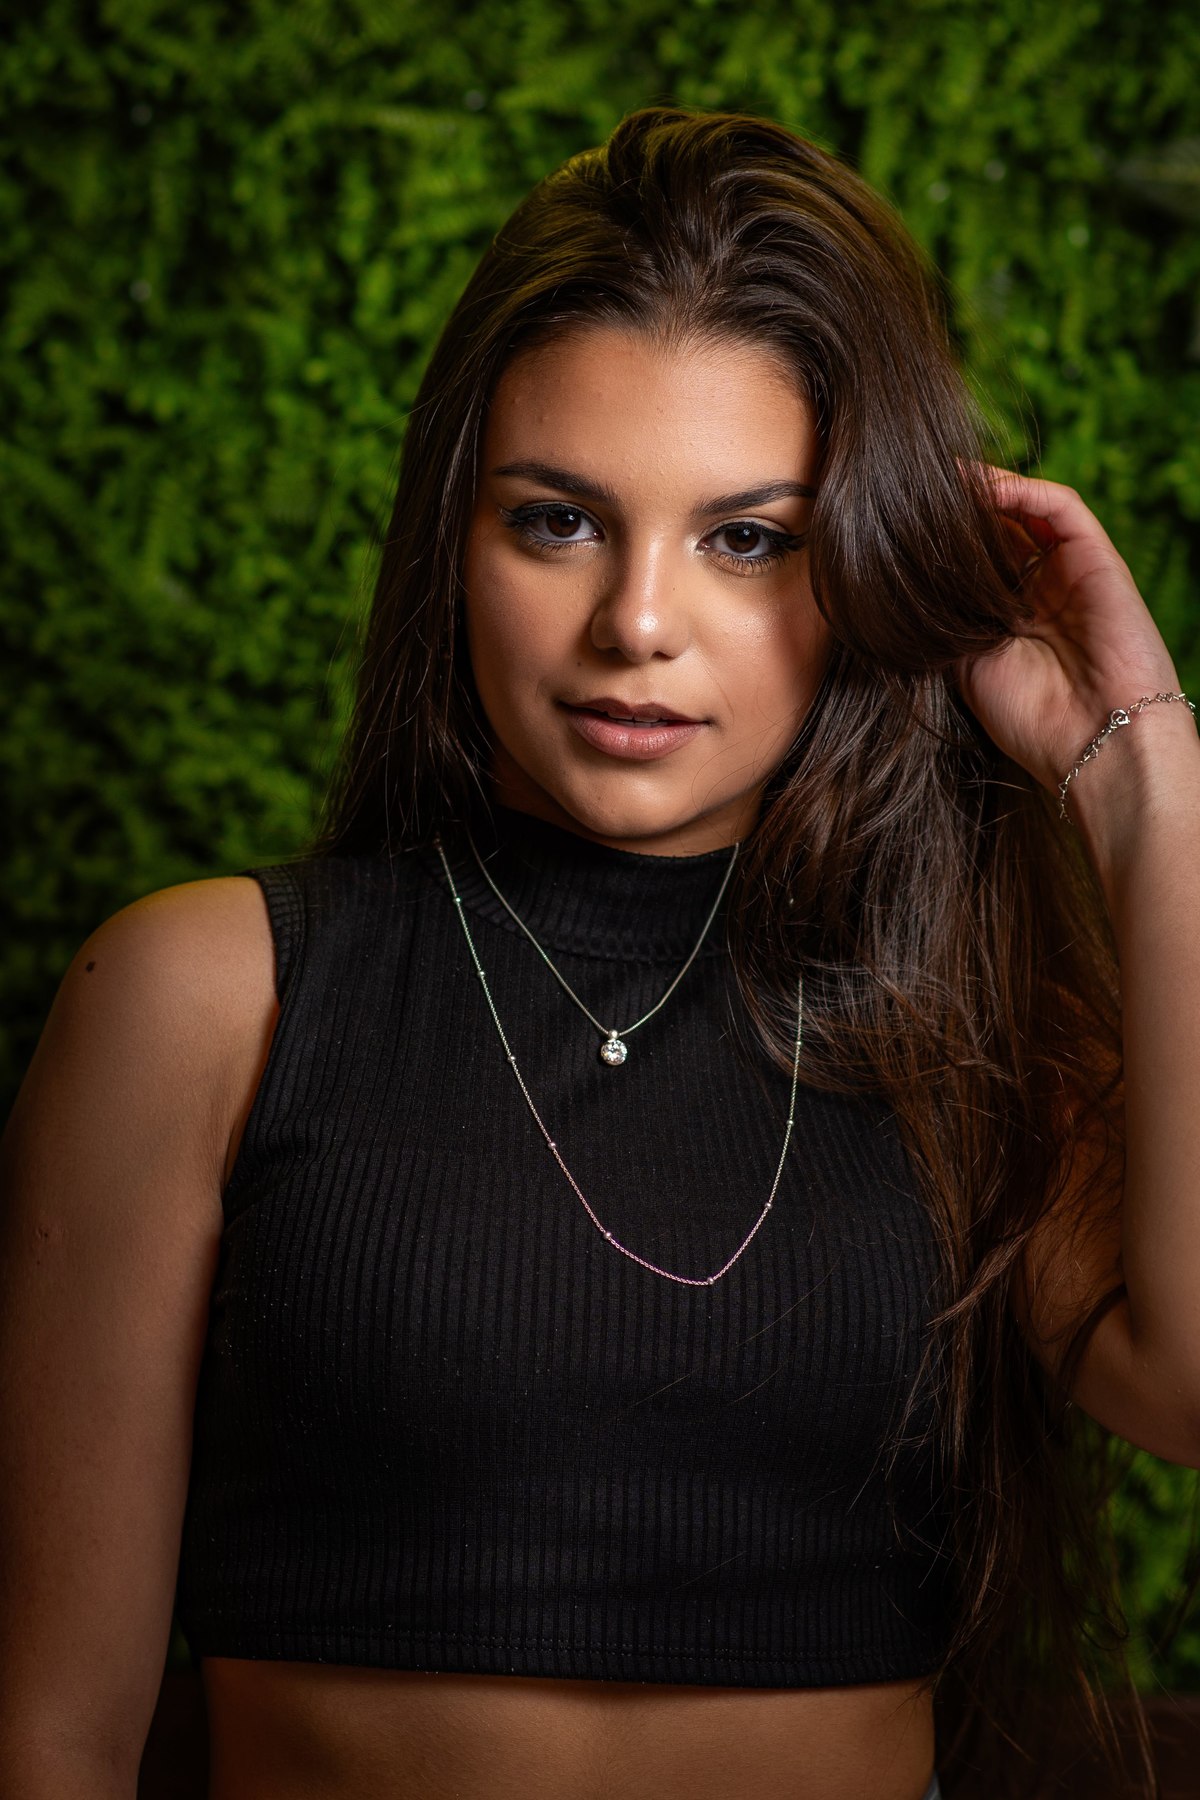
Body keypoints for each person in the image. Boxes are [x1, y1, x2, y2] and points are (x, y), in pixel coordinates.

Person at [2, 103, 1199, 1800]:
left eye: (749, 538)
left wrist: (1141, 776)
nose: (637, 621)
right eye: (558, 520)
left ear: (866, 567)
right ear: (455, 536)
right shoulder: (206, 1000)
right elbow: (50, 1736)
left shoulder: (962, 1030)